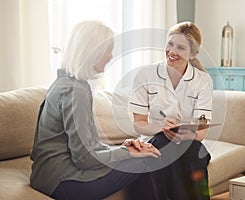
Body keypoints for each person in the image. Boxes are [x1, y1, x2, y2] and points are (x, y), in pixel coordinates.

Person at [29, 20, 161, 200]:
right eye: (107, 51)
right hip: (62, 181)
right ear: (92, 51)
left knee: (140, 155)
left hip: (47, 175)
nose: (110, 56)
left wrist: (121, 147)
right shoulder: (75, 92)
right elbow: (84, 159)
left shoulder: (67, 83)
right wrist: (127, 153)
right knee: (146, 160)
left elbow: (88, 146)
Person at [128, 21, 213, 200]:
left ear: (193, 54)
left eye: (181, 48)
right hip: (155, 138)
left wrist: (192, 135)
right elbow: (139, 123)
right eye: (170, 44)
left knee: (195, 153)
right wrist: (160, 127)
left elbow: (202, 128)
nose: (172, 51)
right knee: (164, 148)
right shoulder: (145, 75)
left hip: (188, 141)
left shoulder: (203, 81)